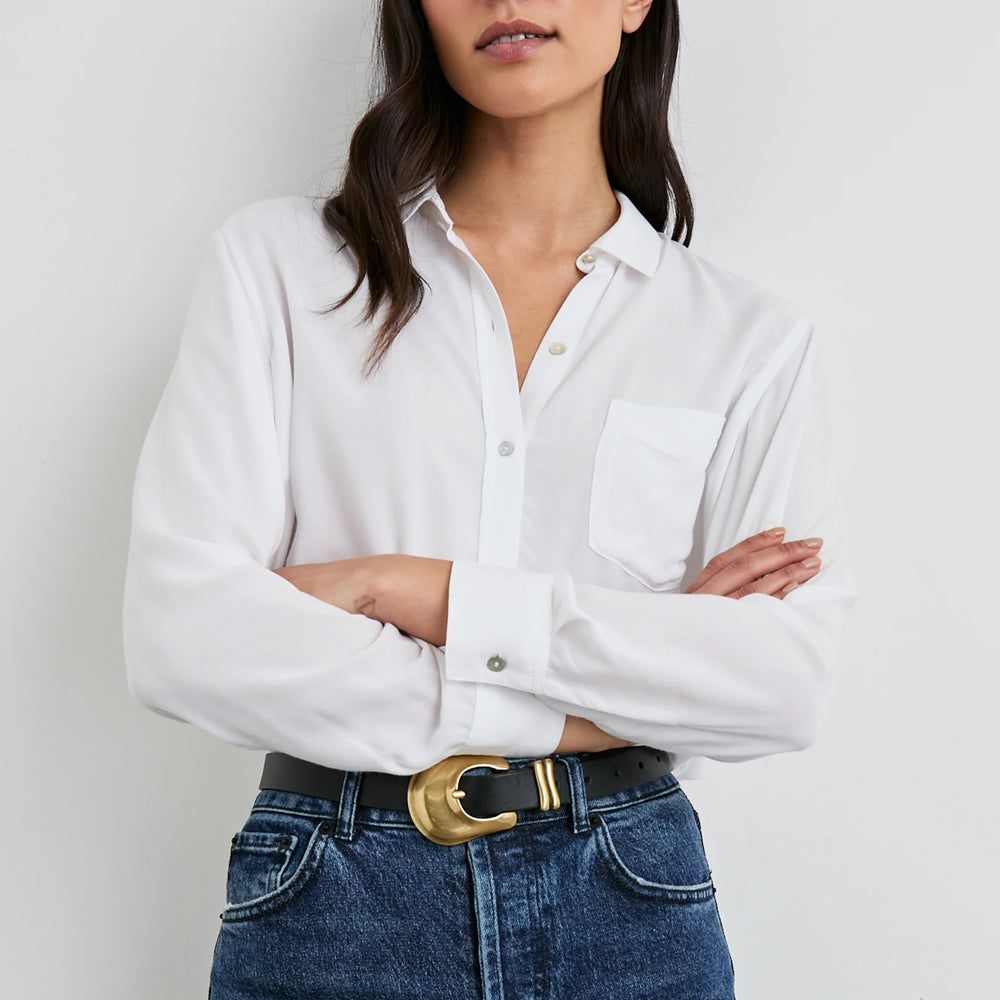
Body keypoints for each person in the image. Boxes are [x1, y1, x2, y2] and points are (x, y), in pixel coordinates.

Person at [122, 1, 858, 997]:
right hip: (332, 894)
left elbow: (779, 684)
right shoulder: (282, 270)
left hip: (629, 900)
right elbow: (186, 637)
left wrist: (407, 586)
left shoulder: (742, 340)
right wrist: (610, 692)